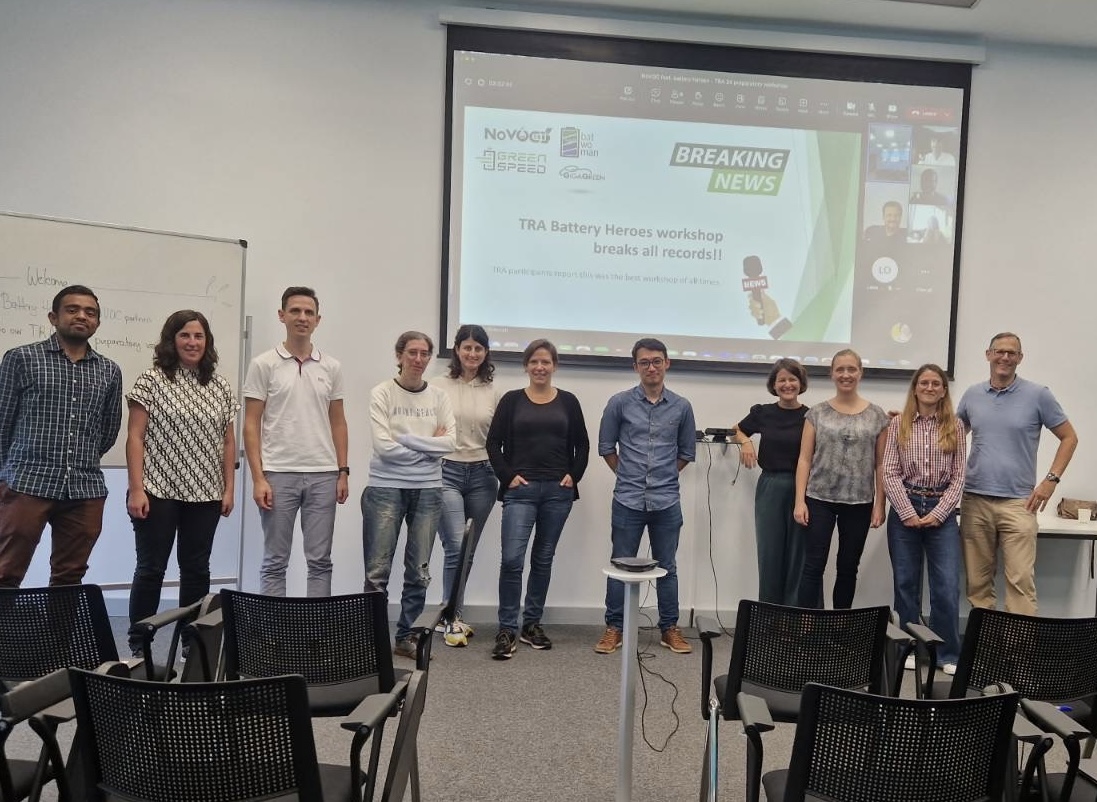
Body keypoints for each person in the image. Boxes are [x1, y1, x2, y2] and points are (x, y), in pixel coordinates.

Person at [125, 311, 238, 655]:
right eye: (185, 335)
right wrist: (136, 487)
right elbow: (135, 436)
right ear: (172, 340)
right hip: (157, 490)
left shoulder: (219, 385)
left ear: (207, 342)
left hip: (205, 493)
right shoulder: (152, 380)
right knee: (151, 569)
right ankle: (139, 644)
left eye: (199, 336)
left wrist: (229, 488)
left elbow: (228, 442)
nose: (192, 342)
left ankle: (193, 643)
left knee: (196, 569)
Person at [0, 285, 123, 587]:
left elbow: (108, 430)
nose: (82, 316)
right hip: (26, 483)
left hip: (84, 489)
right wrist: (6, 477)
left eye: (90, 312)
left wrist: (83, 458)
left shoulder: (109, 371)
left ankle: (57, 637)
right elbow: (3, 421)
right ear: (53, 317)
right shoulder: (21, 358)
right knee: (6, 571)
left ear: (97, 323)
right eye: (72, 309)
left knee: (70, 576)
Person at [956, 332, 1077, 614]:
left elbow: (1069, 437)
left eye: (1012, 353)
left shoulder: (1038, 395)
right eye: (999, 351)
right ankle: (984, 650)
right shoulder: (972, 395)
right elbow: (950, 438)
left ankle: (1017, 656)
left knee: (1020, 582)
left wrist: (1051, 481)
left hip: (1019, 504)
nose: (1005, 357)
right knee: (978, 584)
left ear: (1020, 359)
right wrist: (907, 422)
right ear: (988, 354)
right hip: (975, 500)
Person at [243, 286, 349, 597]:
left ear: (318, 319)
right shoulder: (264, 364)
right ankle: (275, 635)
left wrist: (343, 471)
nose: (302, 317)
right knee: (275, 561)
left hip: (323, 475)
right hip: (278, 474)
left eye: (308, 312)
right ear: (282, 316)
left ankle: (315, 636)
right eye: (295, 311)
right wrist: (258, 477)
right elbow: (251, 423)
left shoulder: (332, 367)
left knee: (320, 561)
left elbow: (339, 421)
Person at [486, 340, 588, 659]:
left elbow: (582, 445)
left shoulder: (569, 402)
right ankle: (506, 628)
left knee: (543, 560)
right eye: (534, 362)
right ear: (526, 366)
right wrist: (508, 476)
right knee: (513, 560)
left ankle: (531, 624)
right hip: (521, 492)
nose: (540, 367)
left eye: (546, 361)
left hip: (557, 493)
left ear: (554, 365)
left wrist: (574, 475)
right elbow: (493, 445)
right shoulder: (512, 401)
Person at [595, 338, 696, 655]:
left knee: (667, 566)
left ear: (667, 363)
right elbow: (606, 448)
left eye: (656, 361)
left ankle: (669, 628)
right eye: (644, 362)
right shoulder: (619, 403)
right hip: (627, 500)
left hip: (667, 501)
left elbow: (686, 453)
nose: (651, 367)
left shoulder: (682, 407)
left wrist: (661, 478)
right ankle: (614, 627)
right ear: (635, 366)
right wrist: (629, 476)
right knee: (620, 565)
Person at [363, 331, 456, 659]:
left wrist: (407, 440)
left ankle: (407, 637)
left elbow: (450, 444)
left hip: (428, 490)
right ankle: (372, 640)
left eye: (424, 354)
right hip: (385, 487)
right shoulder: (382, 393)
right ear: (399, 355)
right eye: (412, 353)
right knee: (377, 572)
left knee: (419, 570)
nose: (418, 359)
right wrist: (429, 446)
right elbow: (383, 448)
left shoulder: (440, 397)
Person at [882, 364, 966, 675]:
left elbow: (959, 477)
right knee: (906, 584)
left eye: (936, 383)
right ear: (915, 388)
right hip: (905, 507)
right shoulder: (897, 425)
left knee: (945, 586)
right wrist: (907, 512)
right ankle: (910, 648)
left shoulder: (955, 426)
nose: (930, 388)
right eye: (924, 383)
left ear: (944, 390)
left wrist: (938, 513)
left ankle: (946, 653)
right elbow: (889, 471)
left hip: (940, 510)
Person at [794, 349, 889, 609]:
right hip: (818, 499)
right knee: (813, 565)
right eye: (840, 370)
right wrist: (799, 501)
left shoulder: (878, 416)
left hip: (859, 502)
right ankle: (807, 625)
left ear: (860, 373)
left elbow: (881, 464)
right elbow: (804, 459)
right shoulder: (816, 413)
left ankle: (841, 626)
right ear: (832, 374)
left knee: (848, 567)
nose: (846, 375)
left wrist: (880, 504)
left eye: (851, 369)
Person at [435, 324, 498, 647]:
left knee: (468, 549)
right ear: (457, 350)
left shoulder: (494, 391)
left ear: (485, 353)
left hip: (483, 476)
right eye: (467, 347)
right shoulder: (438, 386)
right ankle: (449, 616)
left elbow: (500, 439)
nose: (472, 353)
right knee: (455, 546)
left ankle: (453, 613)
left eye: (478, 348)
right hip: (446, 471)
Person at [733, 358, 809, 606]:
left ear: (801, 383)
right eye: (782, 380)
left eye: (792, 379)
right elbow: (736, 430)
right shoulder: (763, 413)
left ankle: (795, 614)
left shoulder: (811, 416)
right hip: (771, 487)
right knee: (770, 553)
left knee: (799, 554)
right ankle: (770, 615)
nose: (787, 384)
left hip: (803, 490)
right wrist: (745, 442)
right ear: (774, 385)